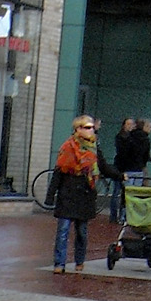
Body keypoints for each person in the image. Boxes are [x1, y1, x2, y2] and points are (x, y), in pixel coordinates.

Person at [50, 116, 112, 274]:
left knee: (82, 232)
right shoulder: (68, 147)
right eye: (87, 127)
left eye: (92, 127)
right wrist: (51, 194)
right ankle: (59, 263)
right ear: (77, 129)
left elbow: (103, 166)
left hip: (85, 194)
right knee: (63, 231)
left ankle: (79, 260)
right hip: (68, 193)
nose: (91, 130)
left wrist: (120, 175)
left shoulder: (94, 148)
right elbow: (59, 171)